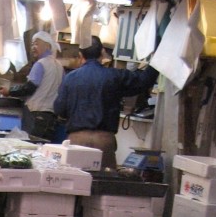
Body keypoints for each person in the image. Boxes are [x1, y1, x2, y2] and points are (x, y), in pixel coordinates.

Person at [53, 37, 158, 168]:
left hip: (76, 141)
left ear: (80, 55)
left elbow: (59, 109)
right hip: (104, 142)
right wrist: (158, 57)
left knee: (75, 184)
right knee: (104, 184)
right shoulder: (114, 76)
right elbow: (144, 81)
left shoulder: (69, 78)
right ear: (102, 52)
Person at [3, 31, 64, 140]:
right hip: (51, 117)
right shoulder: (60, 66)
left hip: (36, 115)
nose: (33, 47)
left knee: (30, 147)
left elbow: (29, 87)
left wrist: (9, 91)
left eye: (36, 43)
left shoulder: (41, 64)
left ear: (47, 46)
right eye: (32, 44)